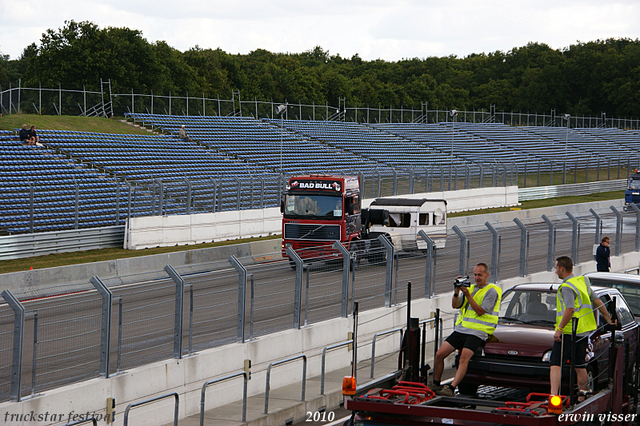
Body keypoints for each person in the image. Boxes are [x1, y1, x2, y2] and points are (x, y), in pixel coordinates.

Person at [431, 263, 502, 396]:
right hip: (463, 329)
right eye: (475, 275)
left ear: (487, 274)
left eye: (479, 275)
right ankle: (436, 383)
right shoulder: (471, 288)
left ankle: (451, 388)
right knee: (439, 354)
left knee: (464, 358)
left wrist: (468, 295)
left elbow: (480, 311)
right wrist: (457, 291)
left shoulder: (492, 291)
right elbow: (455, 305)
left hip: (479, 331)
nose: (477, 278)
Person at [550, 256, 615, 399]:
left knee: (555, 364)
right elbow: (597, 300)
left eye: (556, 268)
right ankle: (581, 396)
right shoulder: (582, 281)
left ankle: (553, 395)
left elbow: (570, 309)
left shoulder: (566, 287)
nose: (555, 271)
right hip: (583, 332)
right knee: (579, 365)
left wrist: (559, 329)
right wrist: (608, 318)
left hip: (568, 331)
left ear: (562, 268)